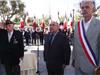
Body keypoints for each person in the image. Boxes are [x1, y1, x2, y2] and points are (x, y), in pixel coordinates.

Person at [72, 0, 100, 75]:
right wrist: (73, 59)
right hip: (78, 66)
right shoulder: (77, 25)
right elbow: (75, 44)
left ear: (93, 9)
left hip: (92, 67)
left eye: (87, 7)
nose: (84, 9)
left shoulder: (98, 24)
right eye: (82, 7)